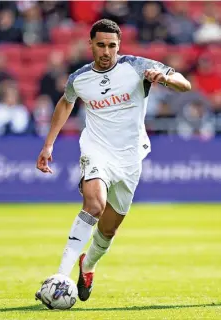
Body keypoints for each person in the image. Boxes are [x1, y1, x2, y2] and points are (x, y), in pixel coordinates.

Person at [35, 19, 191, 303]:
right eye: (101, 45)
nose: (106, 51)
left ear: (119, 46)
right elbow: (66, 102)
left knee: (108, 229)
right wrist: (48, 144)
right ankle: (60, 275)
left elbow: (185, 84)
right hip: (96, 150)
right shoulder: (79, 78)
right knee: (94, 204)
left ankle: (88, 265)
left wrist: (166, 78)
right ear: (91, 45)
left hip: (130, 158)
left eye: (112, 46)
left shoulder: (137, 66)